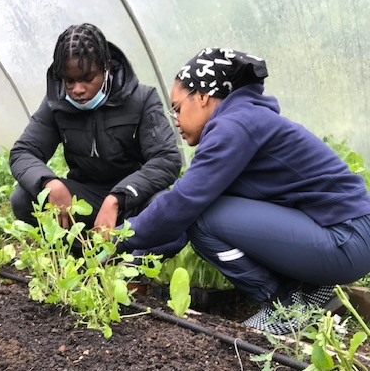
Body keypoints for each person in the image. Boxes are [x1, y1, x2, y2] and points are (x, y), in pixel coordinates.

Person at [113, 47, 370, 334]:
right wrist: (133, 259)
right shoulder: (241, 120)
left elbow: (183, 206)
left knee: (201, 217)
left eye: (177, 107)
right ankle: (308, 293)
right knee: (197, 211)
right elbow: (176, 212)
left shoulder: (234, 126)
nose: (175, 119)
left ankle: (285, 310)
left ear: (202, 96)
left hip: (345, 238)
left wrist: (116, 240)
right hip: (343, 234)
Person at [9, 23, 183, 254]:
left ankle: (131, 264)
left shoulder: (141, 99)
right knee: (23, 197)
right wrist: (49, 183)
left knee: (167, 209)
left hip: (132, 199)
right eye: (69, 81)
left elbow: (166, 159)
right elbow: (23, 152)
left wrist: (118, 197)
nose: (77, 89)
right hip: (86, 197)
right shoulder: (56, 104)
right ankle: (77, 256)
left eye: (87, 78)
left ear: (106, 68)